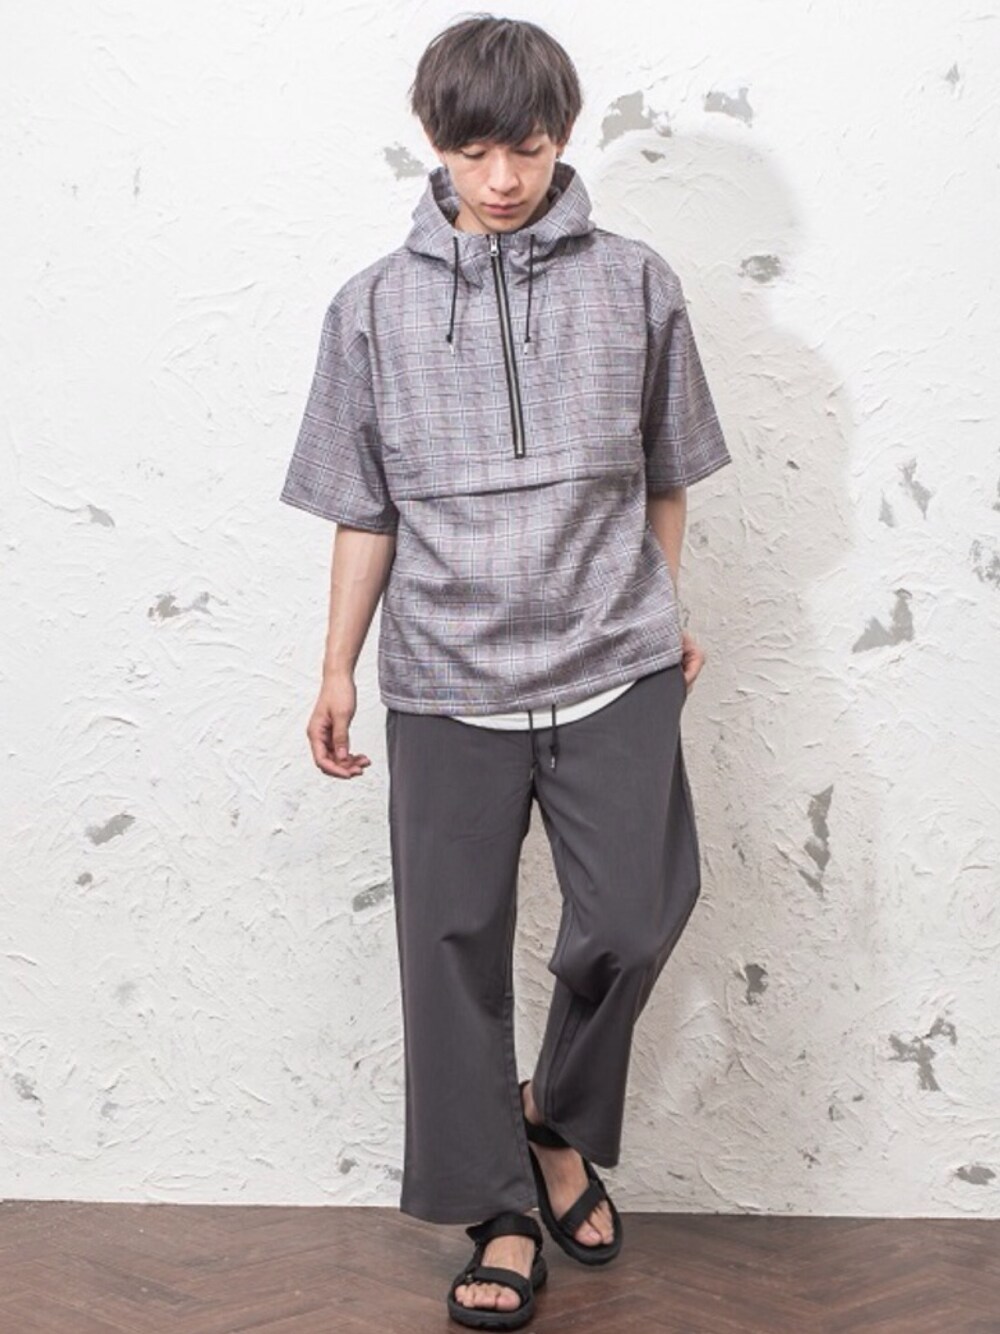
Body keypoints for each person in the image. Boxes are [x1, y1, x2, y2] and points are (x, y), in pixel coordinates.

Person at [279, 15, 732, 1330]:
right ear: (434, 140)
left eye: (525, 149)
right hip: (444, 674)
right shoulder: (371, 308)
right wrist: (335, 668)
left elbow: (665, 474)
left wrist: (662, 605)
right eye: (474, 151)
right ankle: (500, 1213)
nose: (500, 178)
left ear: (561, 137)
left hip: (614, 659)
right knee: (450, 949)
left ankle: (551, 1115)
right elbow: (363, 510)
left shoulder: (636, 282)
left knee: (636, 915)